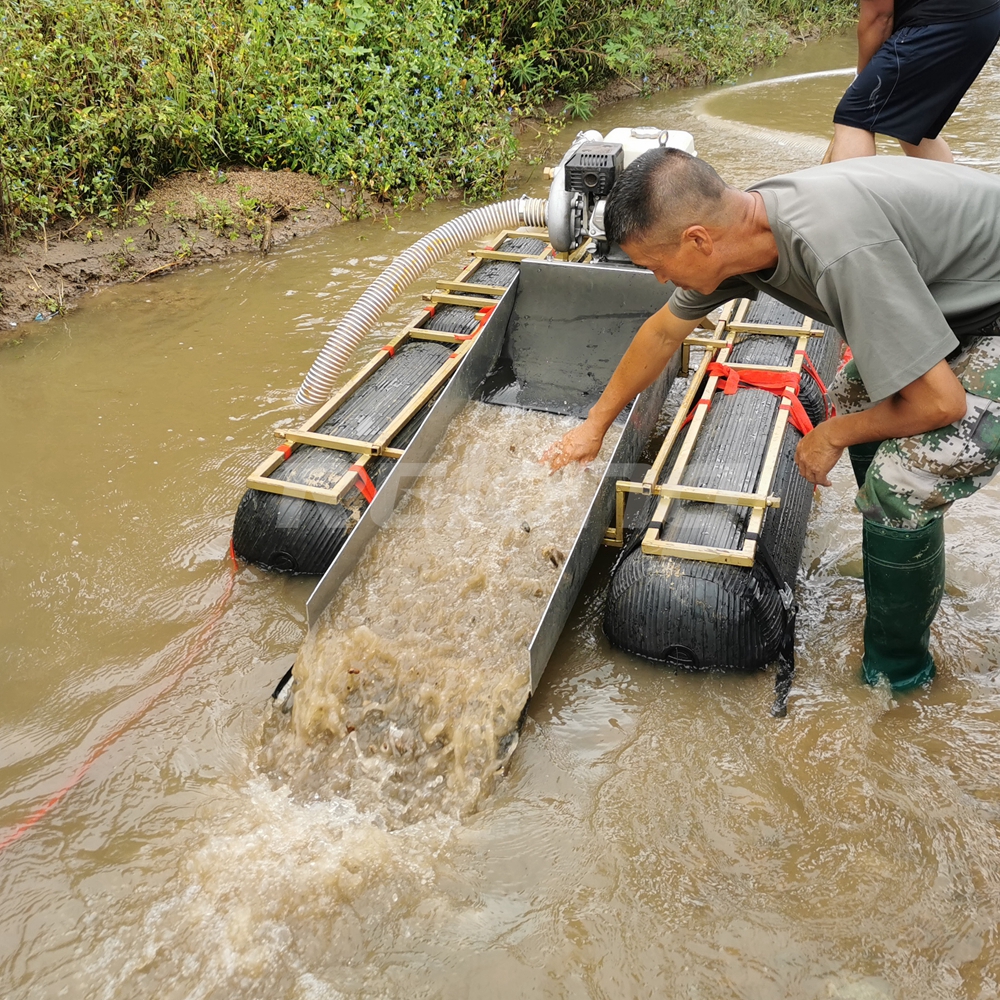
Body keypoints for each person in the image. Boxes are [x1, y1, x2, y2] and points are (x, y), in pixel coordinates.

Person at [541, 147, 1000, 691]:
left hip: (988, 315)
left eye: (655, 265)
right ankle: (897, 565)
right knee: (856, 392)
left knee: (902, 479)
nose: (661, 280)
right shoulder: (742, 232)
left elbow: (939, 406)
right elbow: (663, 332)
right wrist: (596, 423)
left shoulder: (834, 249)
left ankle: (897, 678)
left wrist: (830, 436)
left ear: (696, 240)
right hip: (959, 300)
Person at [829, 0, 1000, 162]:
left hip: (948, 19)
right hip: (983, 16)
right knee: (909, 120)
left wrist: (860, 83)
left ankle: (845, 193)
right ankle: (947, 192)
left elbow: (878, 18)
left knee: (855, 115)